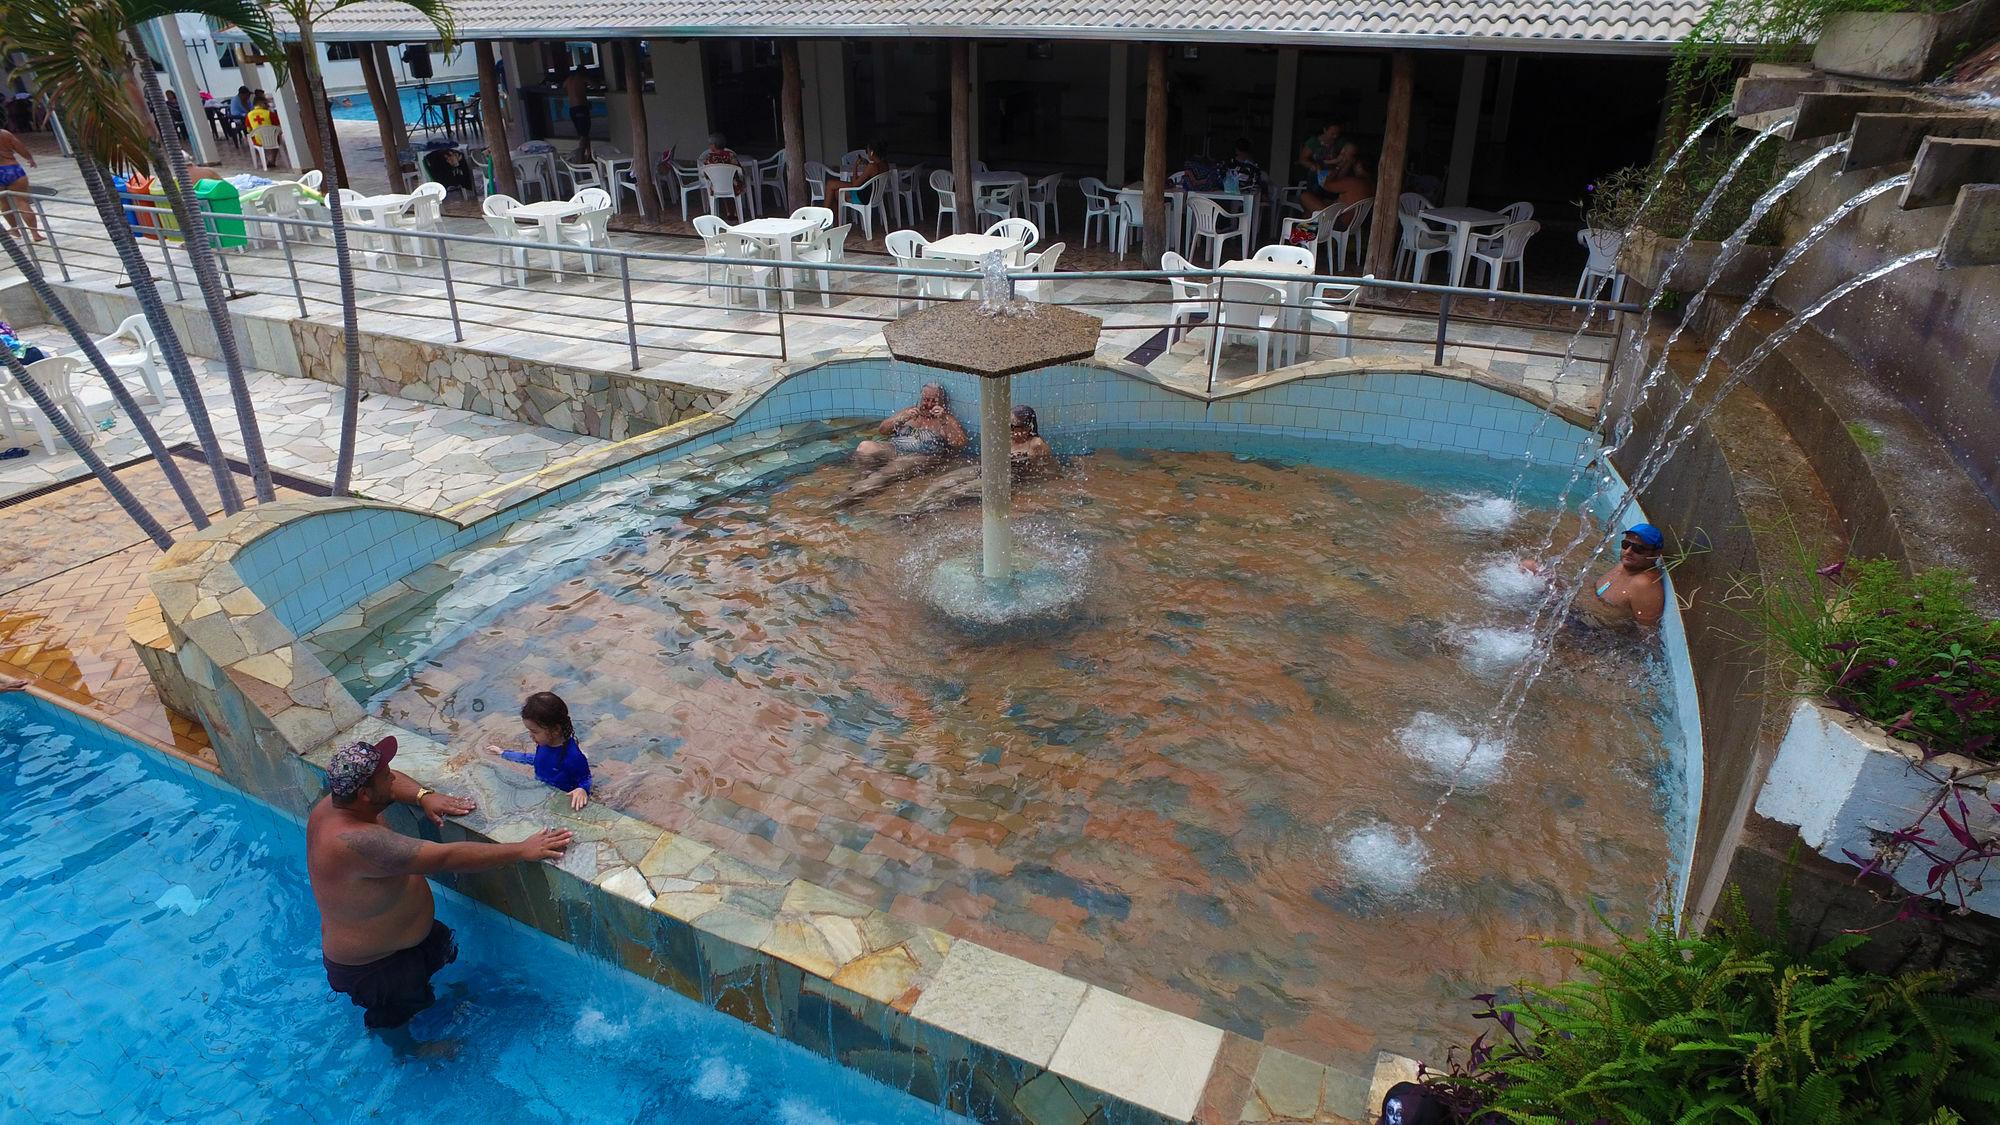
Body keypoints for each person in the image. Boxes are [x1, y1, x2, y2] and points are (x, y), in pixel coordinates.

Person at [307, 736, 572, 1032]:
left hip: (404, 940)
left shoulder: (343, 801)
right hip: (377, 967)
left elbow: (391, 786)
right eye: (386, 775)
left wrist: (423, 795)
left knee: (439, 985)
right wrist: (521, 850)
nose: (393, 777)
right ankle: (410, 1052)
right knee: (398, 1024)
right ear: (365, 793)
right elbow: (446, 858)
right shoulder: (355, 841)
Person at [901, 404, 1055, 517]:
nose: (1007, 429)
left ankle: (920, 514)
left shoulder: (1036, 445)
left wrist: (1027, 484)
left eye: (1012, 426)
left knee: (956, 491)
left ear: (1027, 428)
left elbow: (1047, 469)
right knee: (941, 482)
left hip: (1004, 479)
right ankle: (913, 507)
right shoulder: (1007, 437)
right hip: (986, 469)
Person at [843, 382, 969, 504]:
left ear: (942, 404)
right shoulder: (910, 411)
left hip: (918, 456)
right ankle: (863, 480)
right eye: (926, 400)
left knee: (886, 472)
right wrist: (903, 417)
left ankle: (853, 494)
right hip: (894, 447)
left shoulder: (946, 419)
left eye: (934, 401)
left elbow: (960, 443)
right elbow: (883, 430)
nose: (929, 404)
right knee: (865, 446)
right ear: (921, 399)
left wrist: (943, 421)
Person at [1526, 523, 1667, 631]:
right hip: (1575, 605)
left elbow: (1647, 630)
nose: (1629, 551)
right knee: (1530, 566)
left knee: (1533, 630)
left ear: (1656, 553)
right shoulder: (1629, 565)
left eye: (1638, 549)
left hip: (1588, 627)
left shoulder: (1644, 584)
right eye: (1626, 544)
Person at [485, 691, 593, 811]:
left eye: (534, 731)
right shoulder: (544, 743)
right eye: (529, 730)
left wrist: (583, 789)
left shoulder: (573, 757)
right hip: (543, 787)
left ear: (555, 729)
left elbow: (586, 778)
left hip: (563, 794)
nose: (530, 735)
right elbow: (536, 760)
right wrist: (503, 753)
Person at [1300, 143, 1373, 215]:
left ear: (1359, 166)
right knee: (1323, 201)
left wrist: (1338, 167)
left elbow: (1325, 183)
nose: (1343, 153)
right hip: (1349, 221)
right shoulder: (1371, 184)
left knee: (1304, 196)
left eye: (1346, 152)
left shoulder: (1355, 182)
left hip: (1337, 222)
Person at [0, 128, 40, 241]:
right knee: (22, 202)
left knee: (3, 202)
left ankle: (15, 229)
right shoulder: (4, 133)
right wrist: (29, 158)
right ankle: (35, 233)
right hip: (12, 168)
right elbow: (20, 147)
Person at [563, 67, 592, 160]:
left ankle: (589, 156)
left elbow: (563, 86)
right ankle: (581, 159)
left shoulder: (568, 79)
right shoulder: (582, 78)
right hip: (581, 108)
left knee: (584, 133)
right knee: (584, 135)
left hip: (573, 110)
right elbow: (596, 85)